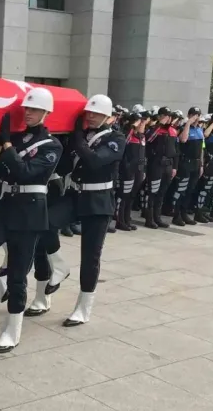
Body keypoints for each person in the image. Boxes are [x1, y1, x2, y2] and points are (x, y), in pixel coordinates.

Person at [0, 88, 62, 354]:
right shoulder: (15, 140)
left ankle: (12, 330)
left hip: (30, 213)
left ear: (46, 113)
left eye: (34, 109)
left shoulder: (52, 145)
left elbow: (26, 172)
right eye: (26, 109)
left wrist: (7, 146)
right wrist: (0, 149)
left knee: (18, 275)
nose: (28, 113)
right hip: (5, 207)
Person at [62, 94, 125, 327]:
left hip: (98, 200)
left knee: (90, 255)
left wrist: (77, 138)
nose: (91, 116)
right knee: (44, 225)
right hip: (74, 194)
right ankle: (57, 269)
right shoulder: (82, 135)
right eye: (89, 112)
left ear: (108, 117)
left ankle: (83, 307)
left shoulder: (116, 138)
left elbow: (96, 161)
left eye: (96, 113)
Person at [143, 107, 176, 229]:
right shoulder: (153, 129)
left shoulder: (172, 131)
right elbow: (148, 139)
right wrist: (159, 125)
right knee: (153, 192)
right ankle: (149, 218)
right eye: (165, 116)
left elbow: (175, 150)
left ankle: (157, 217)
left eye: (169, 116)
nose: (168, 118)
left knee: (162, 193)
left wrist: (175, 167)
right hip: (156, 164)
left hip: (168, 165)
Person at [170, 107, 203, 226]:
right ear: (189, 115)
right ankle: (176, 214)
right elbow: (183, 140)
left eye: (198, 115)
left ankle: (184, 213)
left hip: (196, 163)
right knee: (181, 190)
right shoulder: (183, 128)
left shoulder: (199, 129)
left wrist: (201, 164)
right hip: (185, 163)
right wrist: (188, 123)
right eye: (194, 115)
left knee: (190, 190)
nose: (196, 117)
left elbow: (201, 149)